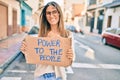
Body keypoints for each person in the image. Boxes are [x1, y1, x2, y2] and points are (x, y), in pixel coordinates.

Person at [21, 1, 75, 80]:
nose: (51, 15)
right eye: (48, 13)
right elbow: (36, 55)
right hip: (41, 76)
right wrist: (26, 50)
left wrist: (71, 56)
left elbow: (69, 61)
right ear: (45, 16)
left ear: (59, 13)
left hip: (58, 77)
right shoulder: (41, 34)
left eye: (54, 12)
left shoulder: (68, 34)